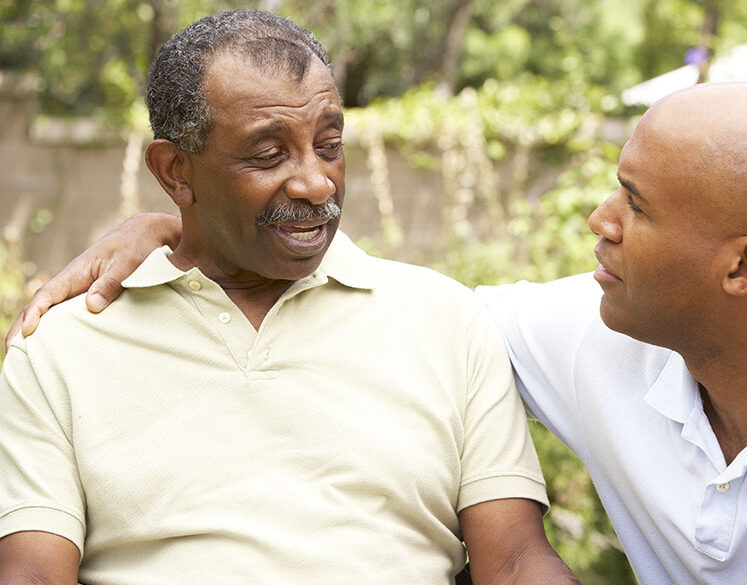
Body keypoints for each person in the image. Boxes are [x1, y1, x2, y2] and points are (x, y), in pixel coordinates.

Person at [5, 80, 747, 583]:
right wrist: (178, 231)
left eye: (636, 206)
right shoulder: (599, 328)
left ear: (743, 267)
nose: (597, 223)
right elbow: (403, 313)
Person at [0, 10, 581, 585]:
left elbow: (514, 562)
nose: (316, 182)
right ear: (175, 171)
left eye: (329, 144)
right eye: (269, 154)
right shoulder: (63, 348)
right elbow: (32, 575)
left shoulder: (448, 321)